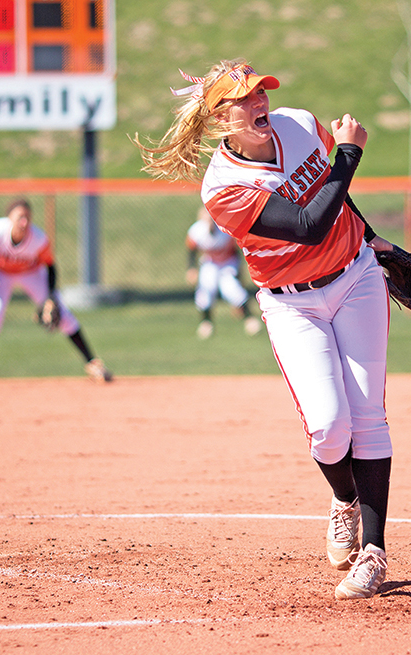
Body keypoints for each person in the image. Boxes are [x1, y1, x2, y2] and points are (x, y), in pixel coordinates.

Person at [137, 60, 394, 600]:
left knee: (368, 413)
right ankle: (344, 499)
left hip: (356, 278)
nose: (258, 103)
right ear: (219, 116)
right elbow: (307, 225)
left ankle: (373, 552)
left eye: (260, 91)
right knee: (328, 426)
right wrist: (350, 153)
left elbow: (336, 198)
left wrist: (373, 238)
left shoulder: (300, 123)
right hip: (292, 304)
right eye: (242, 98)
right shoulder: (223, 188)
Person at [0, 198, 113, 388]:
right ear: (9, 217)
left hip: (31, 273)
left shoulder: (38, 238)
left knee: (63, 315)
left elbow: (51, 267)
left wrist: (51, 297)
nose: (24, 221)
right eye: (20, 216)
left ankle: (93, 364)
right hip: (0, 273)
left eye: (27, 217)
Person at [186, 205, 262, 339]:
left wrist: (239, 275)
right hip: (210, 262)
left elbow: (236, 253)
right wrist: (191, 268)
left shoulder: (225, 230)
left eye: (210, 219)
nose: (209, 222)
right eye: (206, 220)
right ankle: (206, 322)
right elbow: (191, 250)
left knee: (231, 289)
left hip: (227, 263)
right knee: (206, 287)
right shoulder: (196, 231)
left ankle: (249, 319)